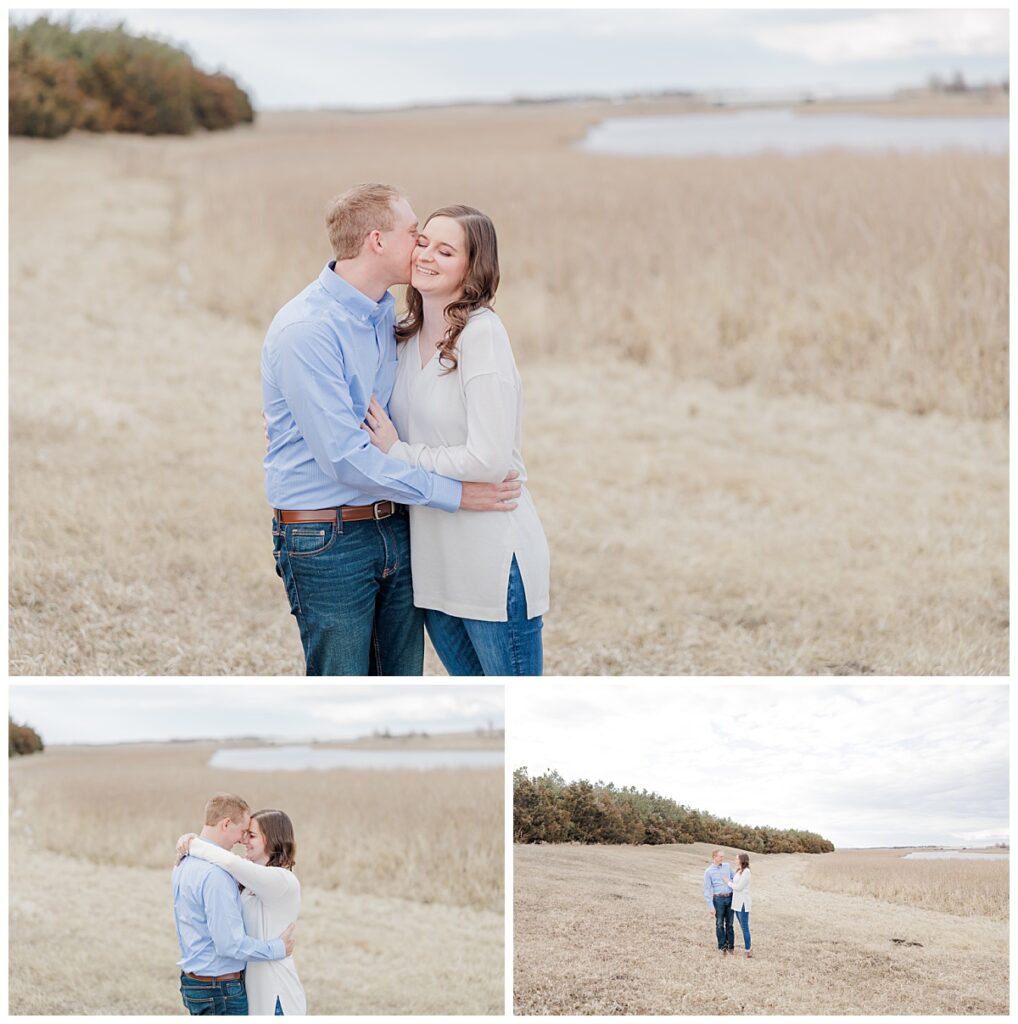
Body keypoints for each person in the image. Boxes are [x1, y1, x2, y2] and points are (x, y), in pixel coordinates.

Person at [262, 183, 522, 676]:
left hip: (397, 524)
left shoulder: (386, 314)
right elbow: (345, 458)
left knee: (402, 686)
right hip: (327, 535)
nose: (421, 245)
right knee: (344, 690)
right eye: (414, 234)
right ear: (378, 242)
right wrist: (454, 493)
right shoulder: (307, 329)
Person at [362, 205, 550, 675]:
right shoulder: (400, 339)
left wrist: (399, 454)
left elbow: (488, 459)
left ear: (472, 268)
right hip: (433, 566)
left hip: (490, 561)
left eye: (446, 251)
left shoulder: (482, 336)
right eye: (423, 242)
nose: (426, 256)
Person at [172, 794, 295, 1015]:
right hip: (220, 988)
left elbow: (235, 864)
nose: (242, 840)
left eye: (251, 835)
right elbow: (230, 944)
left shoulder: (184, 862)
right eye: (243, 832)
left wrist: (192, 841)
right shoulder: (217, 873)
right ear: (226, 824)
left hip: (200, 982)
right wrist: (277, 947)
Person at [702, 847, 735, 955]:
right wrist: (711, 906)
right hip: (718, 899)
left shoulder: (727, 866)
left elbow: (735, 879)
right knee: (719, 923)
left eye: (723, 856)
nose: (722, 858)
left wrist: (730, 881)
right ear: (714, 857)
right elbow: (707, 890)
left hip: (730, 897)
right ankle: (722, 946)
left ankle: (731, 946)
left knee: (730, 924)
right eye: (720, 856)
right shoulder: (708, 871)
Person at [730, 852, 752, 958]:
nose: (735, 860)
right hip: (736, 902)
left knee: (744, 927)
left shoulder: (746, 872)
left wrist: (727, 882)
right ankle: (748, 948)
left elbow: (739, 887)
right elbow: (735, 884)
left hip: (743, 903)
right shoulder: (739, 871)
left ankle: (748, 950)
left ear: (742, 860)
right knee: (742, 926)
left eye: (737, 858)